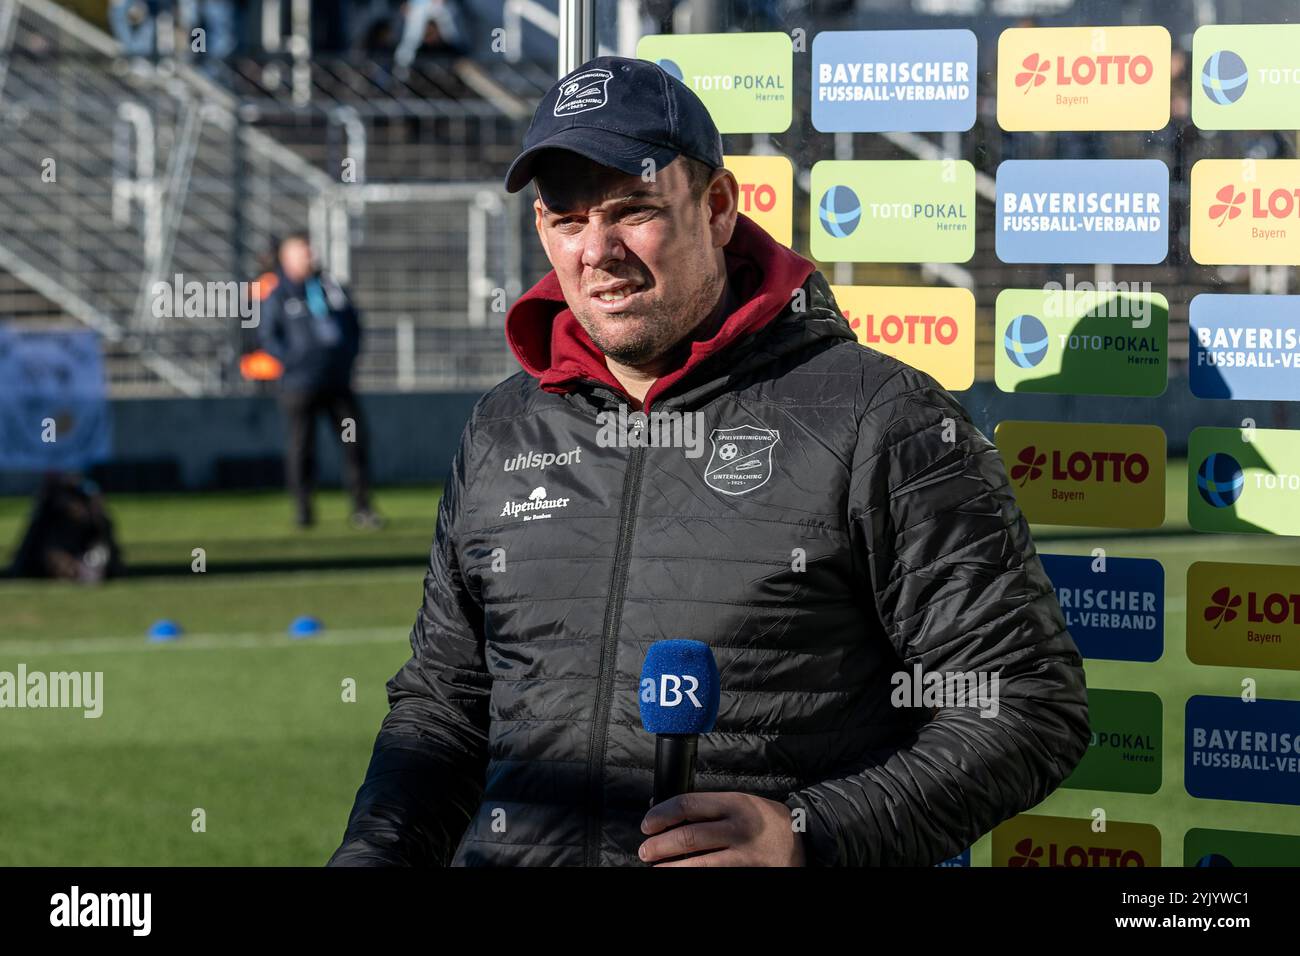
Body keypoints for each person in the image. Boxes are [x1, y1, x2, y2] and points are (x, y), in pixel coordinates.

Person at [329, 56, 1089, 867]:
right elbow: (443, 708)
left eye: (633, 210)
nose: (598, 251)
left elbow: (1025, 704)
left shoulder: (880, 416)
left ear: (719, 208)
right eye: (567, 220)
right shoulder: (502, 428)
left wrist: (812, 833)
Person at [257, 232, 381, 530]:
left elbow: (353, 325)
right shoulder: (278, 293)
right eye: (302, 251)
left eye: (310, 250)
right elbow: (268, 337)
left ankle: (362, 508)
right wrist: (294, 361)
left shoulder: (331, 287)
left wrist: (346, 357)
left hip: (337, 382)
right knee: (302, 447)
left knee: (354, 444)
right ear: (287, 257)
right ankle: (304, 510)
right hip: (300, 386)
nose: (310, 256)